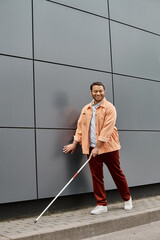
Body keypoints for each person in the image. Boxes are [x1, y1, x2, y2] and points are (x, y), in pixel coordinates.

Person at [63, 82, 133, 215]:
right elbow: (80, 128)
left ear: (104, 91)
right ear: (91, 92)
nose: (98, 93)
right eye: (95, 91)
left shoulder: (110, 108)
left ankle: (127, 199)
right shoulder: (86, 109)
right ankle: (101, 204)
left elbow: (107, 130)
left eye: (100, 91)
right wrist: (74, 142)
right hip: (90, 148)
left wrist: (98, 147)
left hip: (109, 148)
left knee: (116, 173)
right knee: (96, 177)